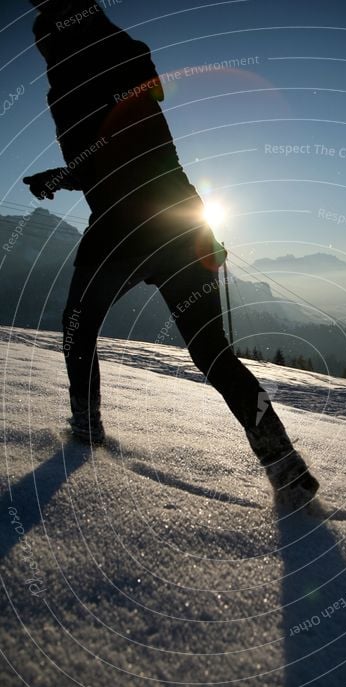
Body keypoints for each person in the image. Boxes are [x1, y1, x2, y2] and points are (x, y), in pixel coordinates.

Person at [24, 0, 319, 500]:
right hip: (183, 222)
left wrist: (75, 165)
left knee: (78, 324)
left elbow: (116, 135)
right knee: (211, 352)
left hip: (125, 225)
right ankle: (283, 462)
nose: (44, 45)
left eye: (46, 35)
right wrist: (67, 175)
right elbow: (116, 148)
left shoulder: (80, 71)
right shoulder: (98, 69)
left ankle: (87, 433)